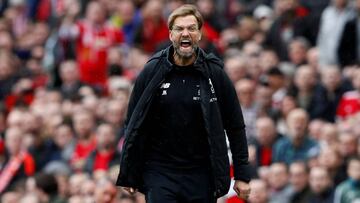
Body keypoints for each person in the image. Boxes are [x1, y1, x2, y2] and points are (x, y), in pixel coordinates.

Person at [116, 4, 251, 203]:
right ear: (171, 34)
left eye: (191, 28)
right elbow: (134, 122)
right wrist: (130, 169)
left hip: (202, 172)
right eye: (179, 29)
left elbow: (235, 126)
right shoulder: (152, 70)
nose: (185, 33)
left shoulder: (215, 73)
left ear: (199, 34)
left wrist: (242, 175)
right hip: (160, 170)